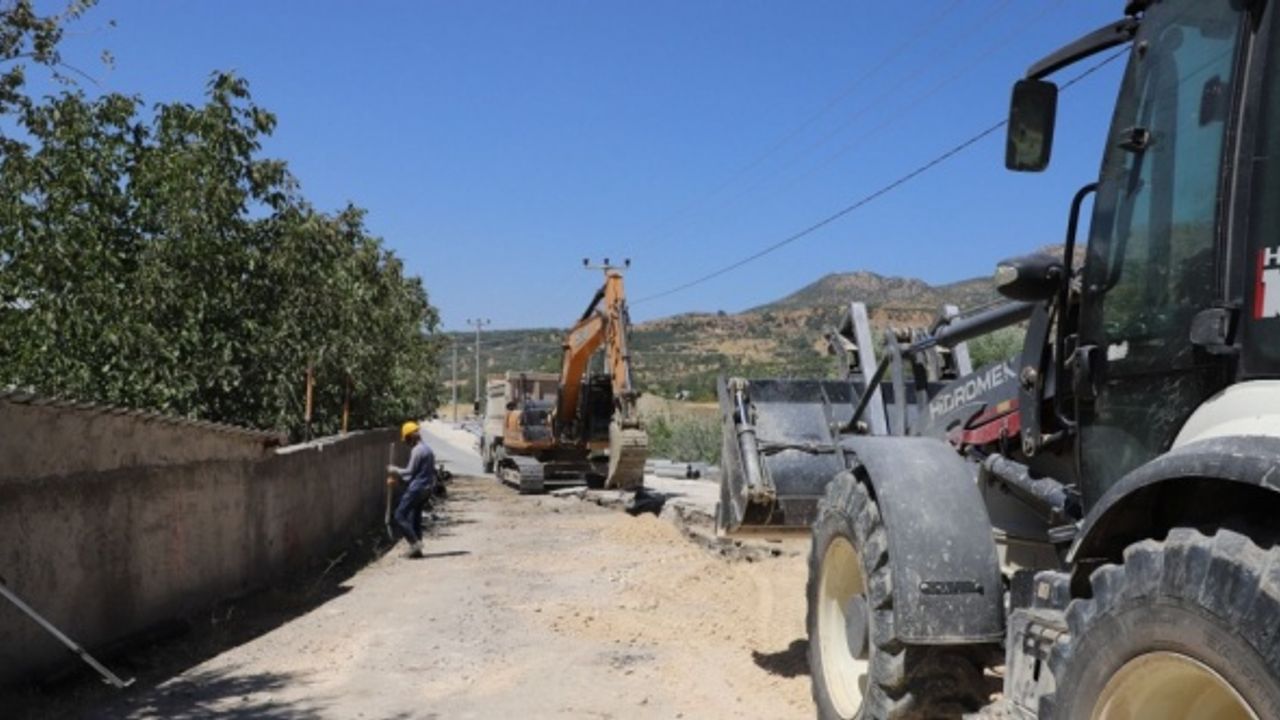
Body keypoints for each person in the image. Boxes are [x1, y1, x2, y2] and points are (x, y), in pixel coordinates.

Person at [387, 421, 436, 558]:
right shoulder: (428, 450)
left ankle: (414, 543)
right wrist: (397, 481)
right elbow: (417, 473)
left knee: (399, 515)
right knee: (415, 518)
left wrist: (394, 469)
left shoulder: (417, 451)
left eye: (406, 439)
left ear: (411, 436)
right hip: (427, 488)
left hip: (418, 488)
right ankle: (417, 551)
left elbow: (409, 472)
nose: (406, 442)